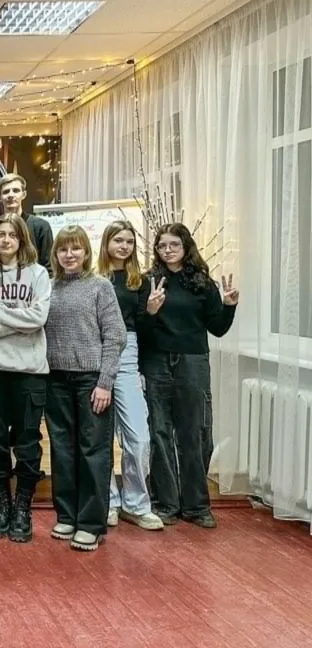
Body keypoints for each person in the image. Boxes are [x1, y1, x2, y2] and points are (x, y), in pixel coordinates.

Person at [143, 223, 238, 529]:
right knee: (159, 432)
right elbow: (140, 330)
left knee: (194, 432)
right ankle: (166, 503)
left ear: (186, 247)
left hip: (192, 362)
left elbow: (218, 328)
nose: (167, 250)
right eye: (162, 246)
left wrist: (230, 306)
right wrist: (150, 311)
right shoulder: (149, 281)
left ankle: (196, 505)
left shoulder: (203, 283)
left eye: (173, 244)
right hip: (157, 362)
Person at [45, 227, 126, 552]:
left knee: (93, 450)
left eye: (75, 249)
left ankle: (91, 523)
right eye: (63, 249)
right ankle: (67, 514)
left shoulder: (100, 287)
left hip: (91, 380)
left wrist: (105, 382)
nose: (69, 255)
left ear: (86, 252)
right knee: (62, 450)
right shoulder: (49, 288)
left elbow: (115, 336)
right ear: (56, 254)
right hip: (56, 380)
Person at [0, 214, 51, 543]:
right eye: (0, 234)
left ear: (22, 240)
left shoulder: (39, 274)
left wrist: (0, 312)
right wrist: (18, 319)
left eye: (12, 235)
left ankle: (23, 505)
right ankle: (1, 502)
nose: (5, 240)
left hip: (29, 370)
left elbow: (38, 317)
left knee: (28, 441)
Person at [97, 221, 164, 531]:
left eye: (128, 241)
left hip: (127, 354)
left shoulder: (140, 282)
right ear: (107, 242)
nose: (123, 246)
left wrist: (150, 312)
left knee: (138, 436)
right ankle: (108, 501)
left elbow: (145, 330)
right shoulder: (95, 277)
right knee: (100, 436)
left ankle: (136, 503)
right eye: (118, 240)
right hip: (94, 354)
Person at [0, 174, 53, 273]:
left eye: (16, 191)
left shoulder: (41, 227)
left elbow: (49, 268)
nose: (11, 195)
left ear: (24, 194)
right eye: (6, 192)